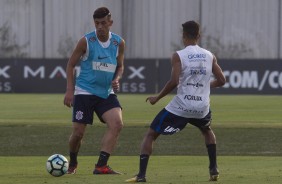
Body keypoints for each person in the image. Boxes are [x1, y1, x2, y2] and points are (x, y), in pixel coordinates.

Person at [126, 20, 226, 182]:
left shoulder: (179, 55)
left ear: (183, 36)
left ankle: (141, 175)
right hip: (202, 107)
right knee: (207, 131)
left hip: (182, 106)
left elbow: (173, 82)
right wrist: (205, 86)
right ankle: (213, 169)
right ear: (199, 36)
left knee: (151, 134)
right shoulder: (210, 56)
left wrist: (156, 98)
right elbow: (222, 80)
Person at [63, 7, 125, 175]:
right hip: (84, 92)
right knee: (78, 134)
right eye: (97, 23)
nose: (100, 27)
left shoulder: (118, 42)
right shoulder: (86, 41)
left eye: (103, 23)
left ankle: (101, 166)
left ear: (110, 23)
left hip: (105, 93)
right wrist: (69, 90)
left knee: (117, 124)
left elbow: (120, 66)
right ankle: (73, 161)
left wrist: (117, 78)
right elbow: (70, 65)